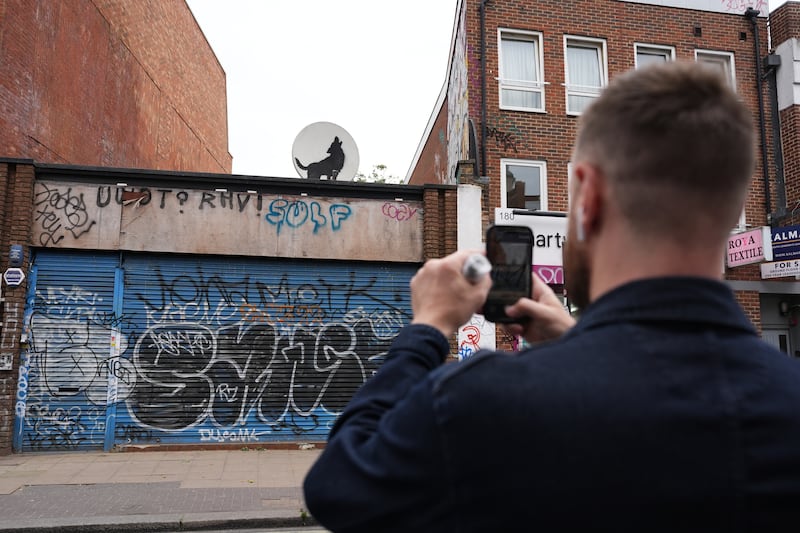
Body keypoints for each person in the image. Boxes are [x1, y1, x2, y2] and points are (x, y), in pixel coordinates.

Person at [303, 61, 800, 531]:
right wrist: (577, 338)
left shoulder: (485, 405)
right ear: (734, 204)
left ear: (589, 196)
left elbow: (339, 485)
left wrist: (428, 326)